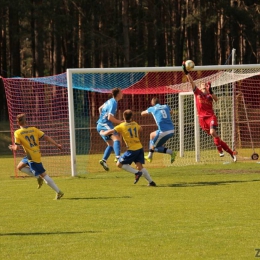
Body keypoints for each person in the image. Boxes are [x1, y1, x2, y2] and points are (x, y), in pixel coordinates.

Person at [182, 61, 237, 162]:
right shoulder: (197, 92)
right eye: (202, 83)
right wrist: (186, 72)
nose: (203, 84)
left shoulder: (209, 96)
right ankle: (231, 153)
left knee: (213, 132)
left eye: (205, 84)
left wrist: (211, 91)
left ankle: (220, 150)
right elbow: (191, 82)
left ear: (207, 88)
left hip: (210, 117)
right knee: (216, 137)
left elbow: (216, 100)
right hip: (202, 119)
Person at [8, 113, 64, 199]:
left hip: (32, 158)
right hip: (32, 154)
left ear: (18, 123)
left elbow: (17, 147)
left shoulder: (18, 132)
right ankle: (37, 176)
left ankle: (58, 192)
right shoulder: (34, 129)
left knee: (44, 175)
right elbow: (46, 137)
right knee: (20, 167)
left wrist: (12, 147)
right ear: (26, 121)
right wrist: (57, 145)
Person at [101, 109, 156, 186]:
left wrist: (103, 132)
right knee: (139, 166)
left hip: (132, 150)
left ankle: (137, 173)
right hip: (139, 148)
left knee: (119, 164)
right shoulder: (135, 123)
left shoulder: (122, 126)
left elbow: (110, 132)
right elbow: (141, 129)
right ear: (131, 117)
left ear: (124, 117)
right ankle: (151, 182)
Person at [141, 97, 176, 163]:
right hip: (171, 130)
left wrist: (146, 112)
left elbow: (142, 114)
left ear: (152, 103)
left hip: (164, 131)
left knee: (153, 148)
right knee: (151, 135)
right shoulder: (166, 106)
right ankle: (149, 156)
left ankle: (171, 153)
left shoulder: (152, 108)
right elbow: (171, 112)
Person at [97, 87, 123, 171]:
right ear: (118, 94)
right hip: (105, 124)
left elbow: (100, 108)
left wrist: (101, 118)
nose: (122, 94)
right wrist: (120, 122)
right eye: (121, 92)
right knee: (117, 139)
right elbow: (110, 118)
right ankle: (118, 157)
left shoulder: (109, 101)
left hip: (100, 124)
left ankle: (103, 160)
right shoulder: (114, 102)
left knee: (111, 145)